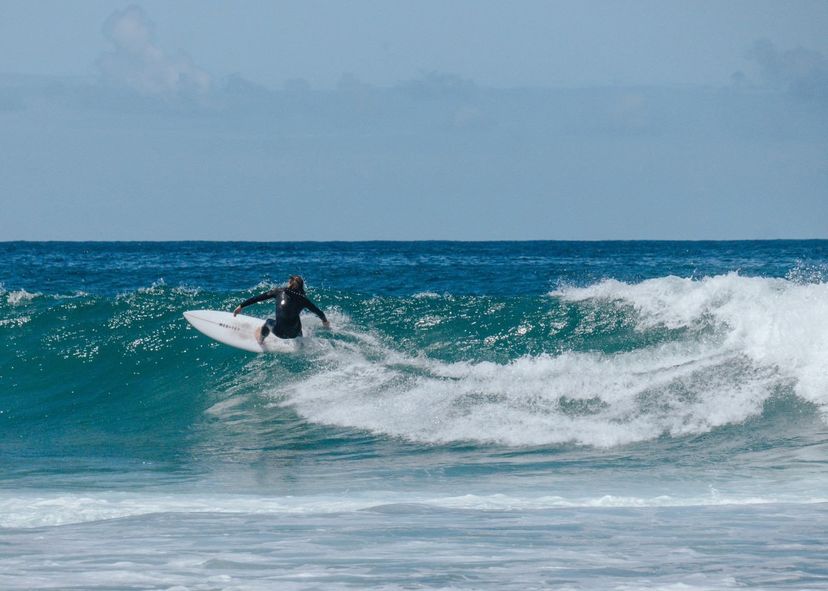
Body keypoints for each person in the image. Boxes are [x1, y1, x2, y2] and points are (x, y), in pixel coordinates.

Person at [233, 275, 330, 343]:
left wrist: (241, 306)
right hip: (294, 333)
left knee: (267, 322)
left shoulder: (278, 291)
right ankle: (300, 344)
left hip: (279, 333)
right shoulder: (304, 300)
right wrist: (325, 321)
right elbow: (319, 312)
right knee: (297, 323)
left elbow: (258, 298)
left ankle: (260, 340)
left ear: (290, 283)